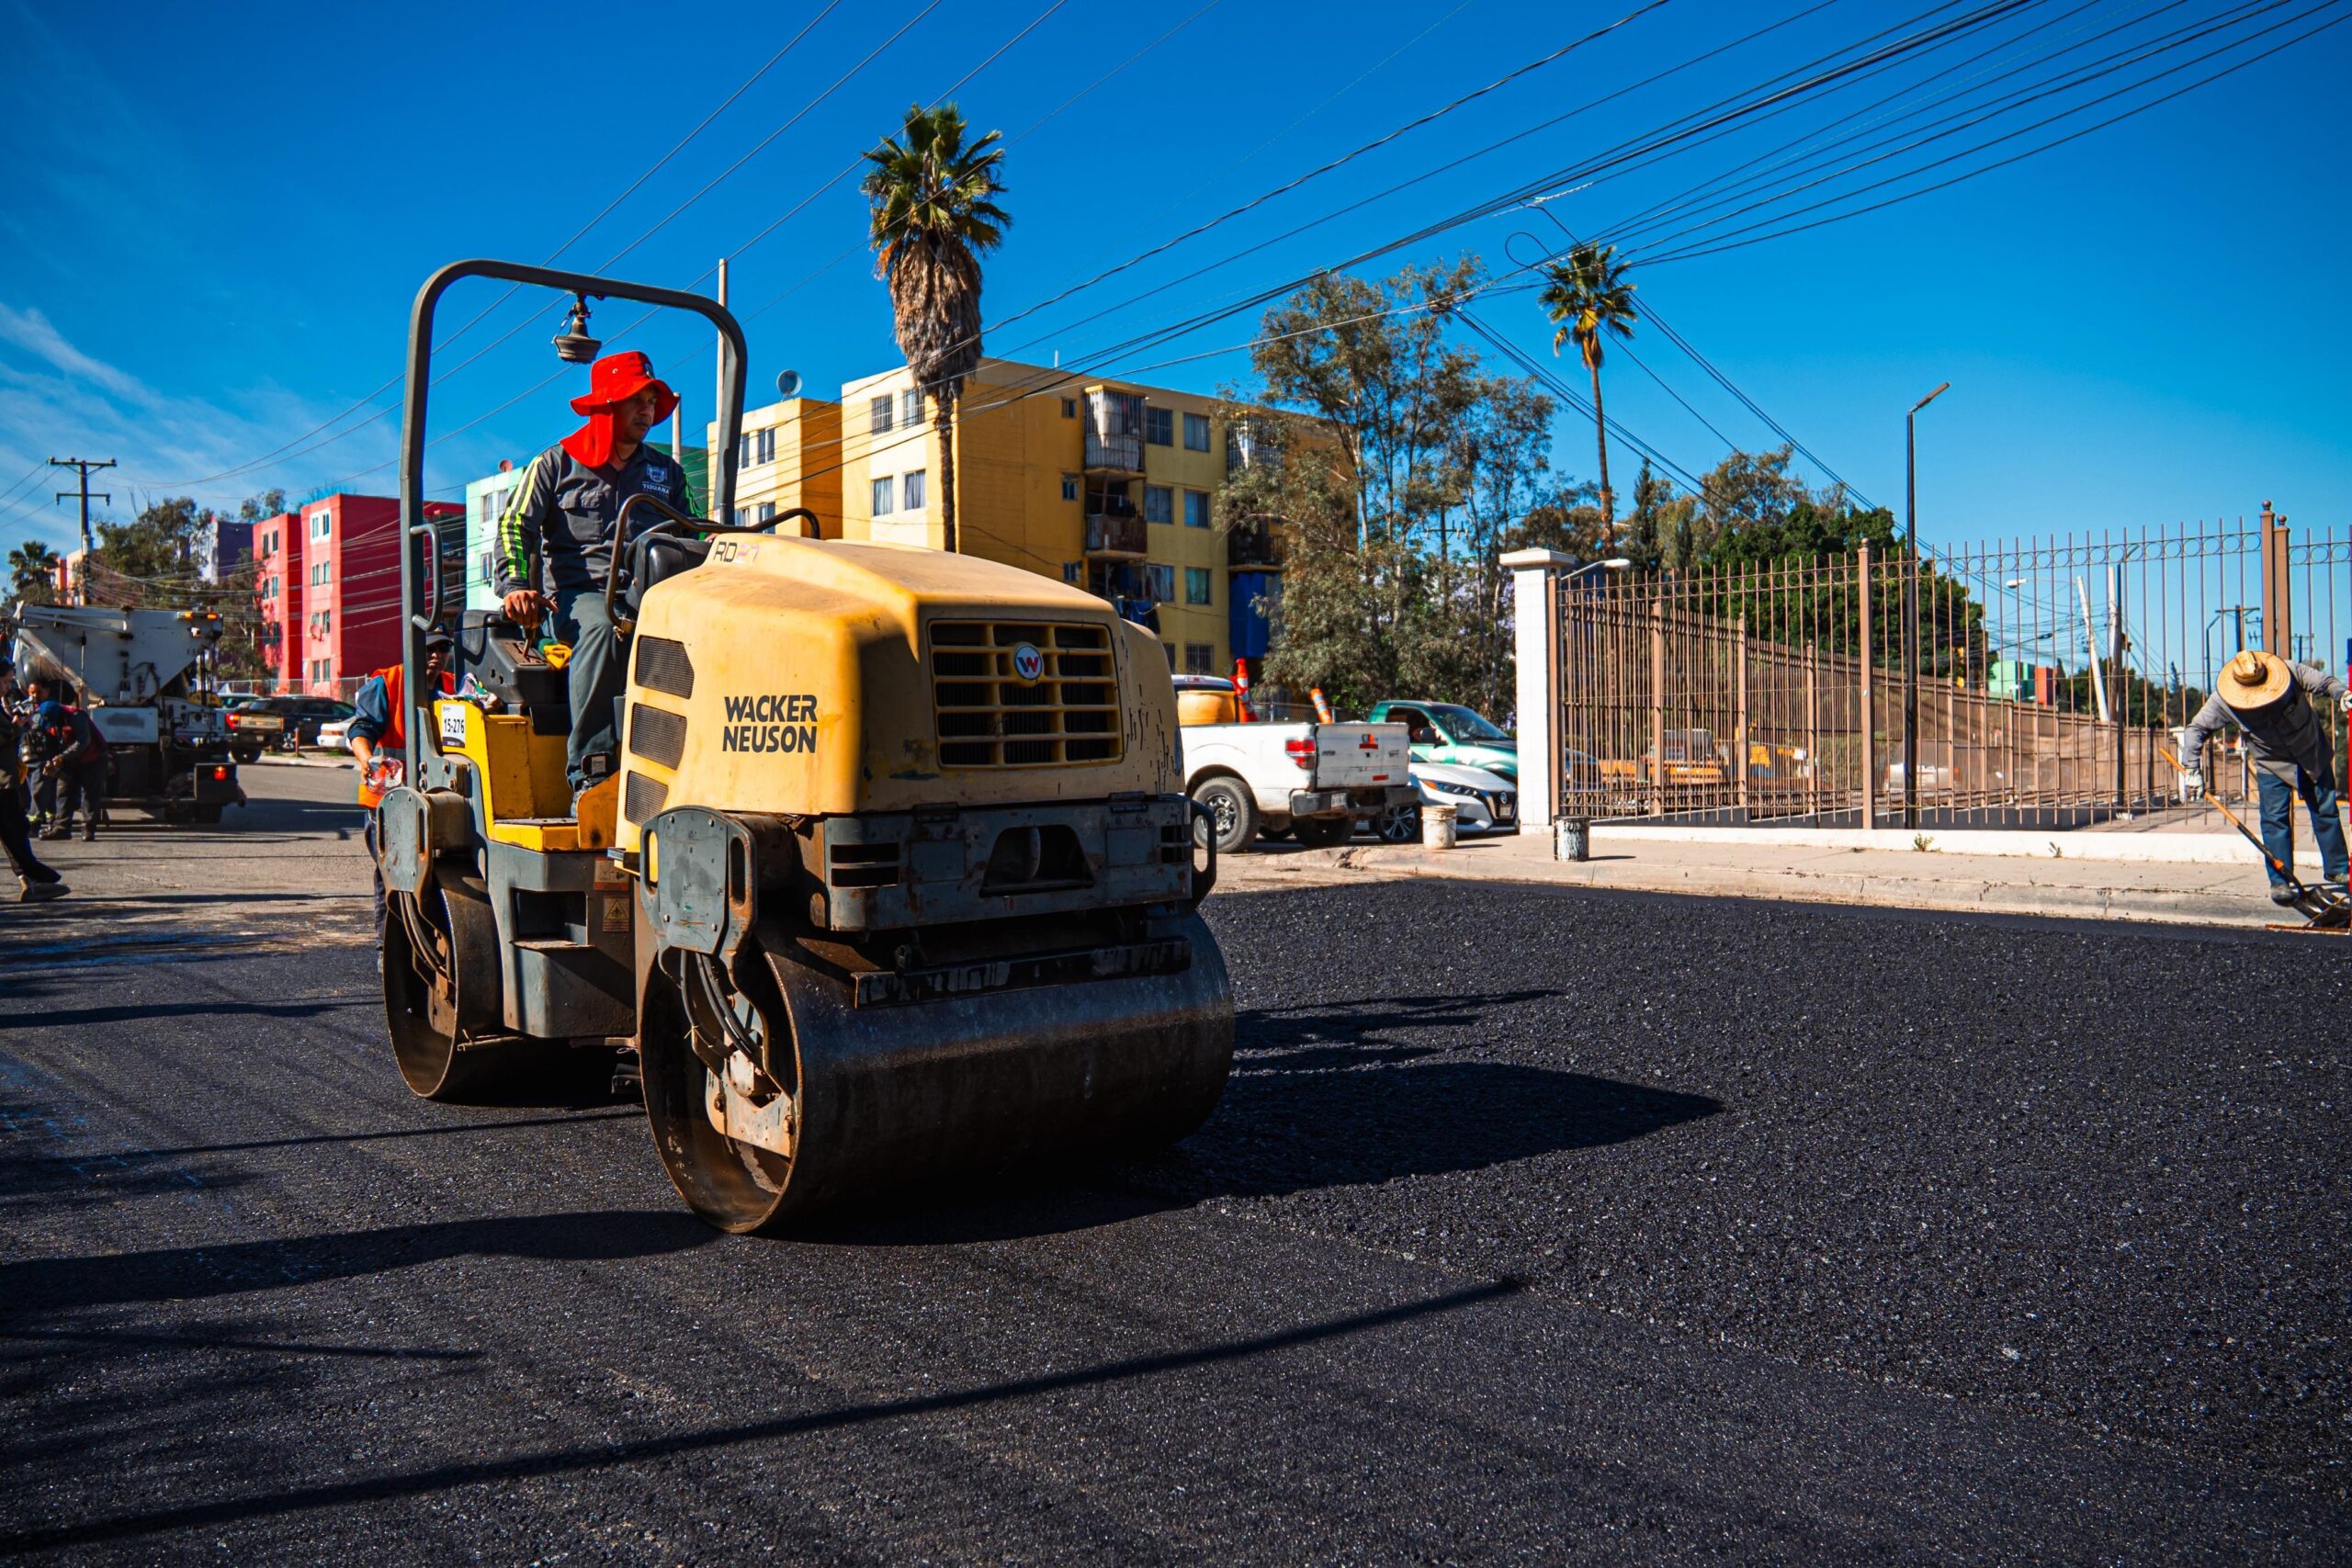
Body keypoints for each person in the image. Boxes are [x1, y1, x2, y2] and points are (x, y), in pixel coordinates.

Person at [493, 349, 695, 807]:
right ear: (607, 405)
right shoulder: (556, 464)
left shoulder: (667, 473)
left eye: (651, 400)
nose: (647, 410)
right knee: (604, 627)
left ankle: (683, 768)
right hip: (575, 601)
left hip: (651, 596)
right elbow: (513, 525)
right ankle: (593, 774)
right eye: (636, 399)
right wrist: (515, 587)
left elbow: (698, 534)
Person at [2177, 649, 2351, 906]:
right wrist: (2192, 767)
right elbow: (2197, 729)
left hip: (2311, 750)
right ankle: (2281, 880)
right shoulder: (2224, 700)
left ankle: (2338, 867)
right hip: (2271, 763)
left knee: (2325, 810)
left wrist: (2342, 694)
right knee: (2274, 819)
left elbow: (2326, 683)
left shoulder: (2290, 671)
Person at [347, 628, 456, 946]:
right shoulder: (387, 683)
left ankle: (431, 941)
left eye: (443, 647)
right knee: (392, 876)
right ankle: (389, 948)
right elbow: (361, 727)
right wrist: (366, 759)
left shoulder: (453, 686)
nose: (436, 655)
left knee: (435, 873)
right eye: (429, 648)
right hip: (390, 798)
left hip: (437, 797)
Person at [0, 657, 67, 902]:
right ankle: (36, 879)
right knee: (15, 831)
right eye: (5, 681)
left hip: (6, 780)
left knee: (13, 834)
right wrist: (17, 726)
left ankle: (33, 881)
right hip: (2, 782)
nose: (8, 687)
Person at [26, 693, 106, 842]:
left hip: (92, 759)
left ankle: (88, 829)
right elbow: (51, 742)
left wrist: (62, 757)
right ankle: (61, 828)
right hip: (70, 760)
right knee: (63, 792)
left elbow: (83, 742)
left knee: (89, 794)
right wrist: (50, 761)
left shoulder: (76, 716)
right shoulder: (49, 719)